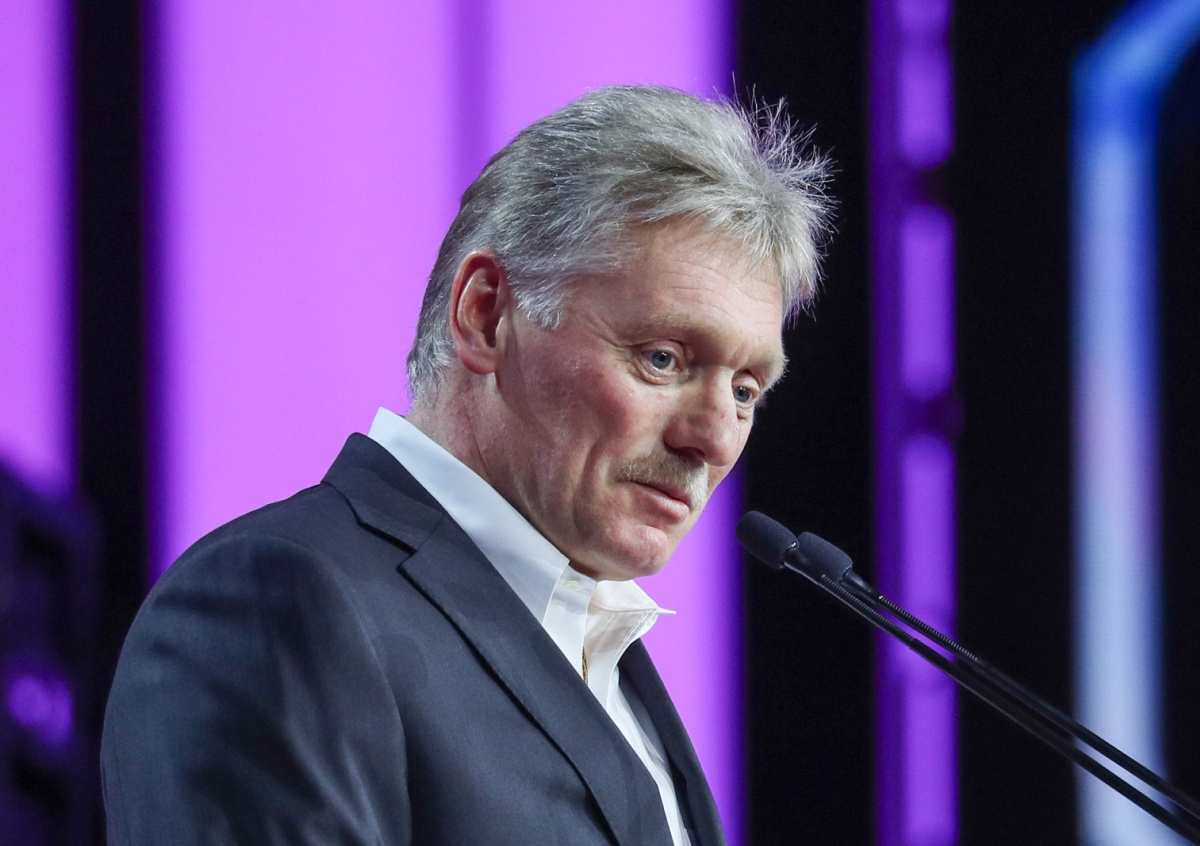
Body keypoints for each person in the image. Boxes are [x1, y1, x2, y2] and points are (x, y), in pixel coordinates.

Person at [101, 84, 831, 845]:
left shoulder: (614, 668)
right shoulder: (279, 604)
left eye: (746, 390)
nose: (714, 439)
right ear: (485, 315)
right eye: (663, 358)